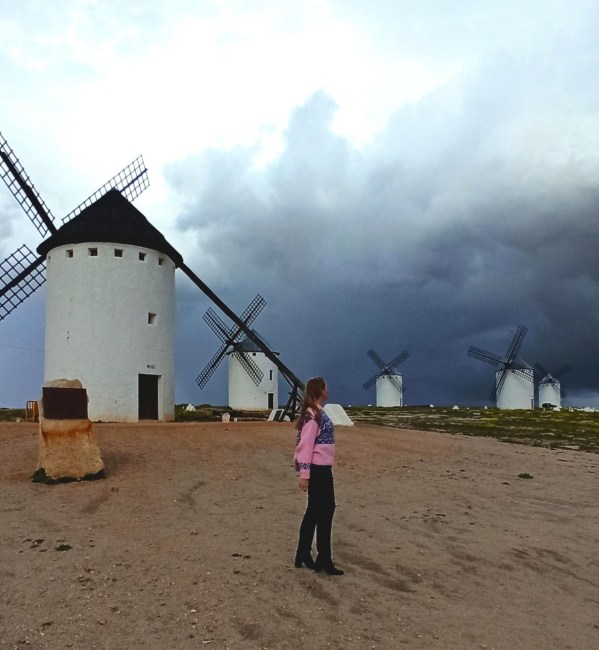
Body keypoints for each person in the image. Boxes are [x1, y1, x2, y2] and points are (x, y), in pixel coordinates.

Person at [293, 377, 344, 575]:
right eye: (326, 387)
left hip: (321, 468)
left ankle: (306, 553)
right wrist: (304, 474)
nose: (328, 390)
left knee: (316, 511)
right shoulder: (313, 414)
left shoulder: (315, 412)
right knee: (324, 509)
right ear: (320, 391)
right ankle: (322, 557)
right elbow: (305, 445)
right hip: (318, 470)